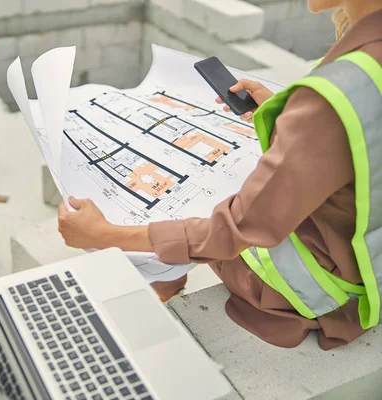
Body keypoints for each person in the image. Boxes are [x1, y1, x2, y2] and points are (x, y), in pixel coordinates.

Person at [57, 0, 382, 350]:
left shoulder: (332, 98)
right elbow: (358, 142)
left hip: (318, 294)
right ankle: (165, 286)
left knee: (171, 212)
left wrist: (106, 235)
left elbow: (237, 229)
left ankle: (158, 299)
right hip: (363, 264)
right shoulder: (363, 70)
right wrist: (288, 118)